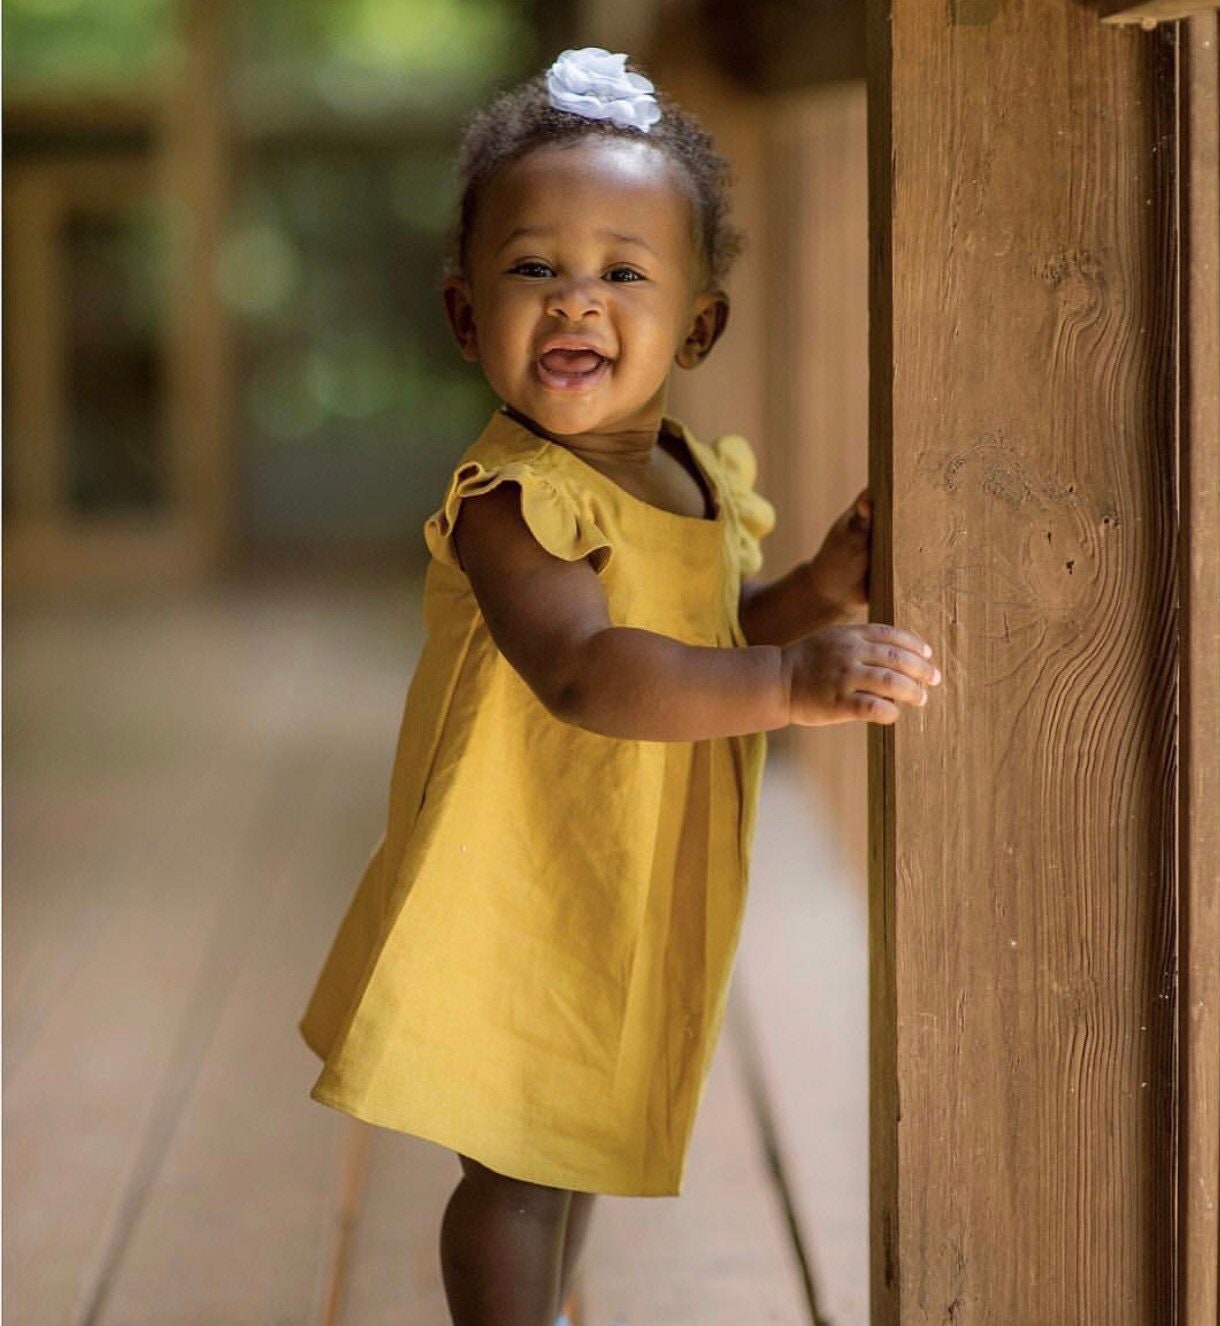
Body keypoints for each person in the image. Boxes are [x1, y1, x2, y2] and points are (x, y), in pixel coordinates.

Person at [297, 47, 941, 1326]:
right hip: (522, 871)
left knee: (573, 1148)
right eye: (533, 267)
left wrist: (810, 593)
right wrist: (792, 684)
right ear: (465, 316)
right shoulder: (514, 503)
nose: (576, 301)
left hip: (614, 865)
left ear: (697, 326)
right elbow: (593, 673)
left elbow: (696, 632)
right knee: (523, 1168)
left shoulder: (691, 478)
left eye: (622, 272)